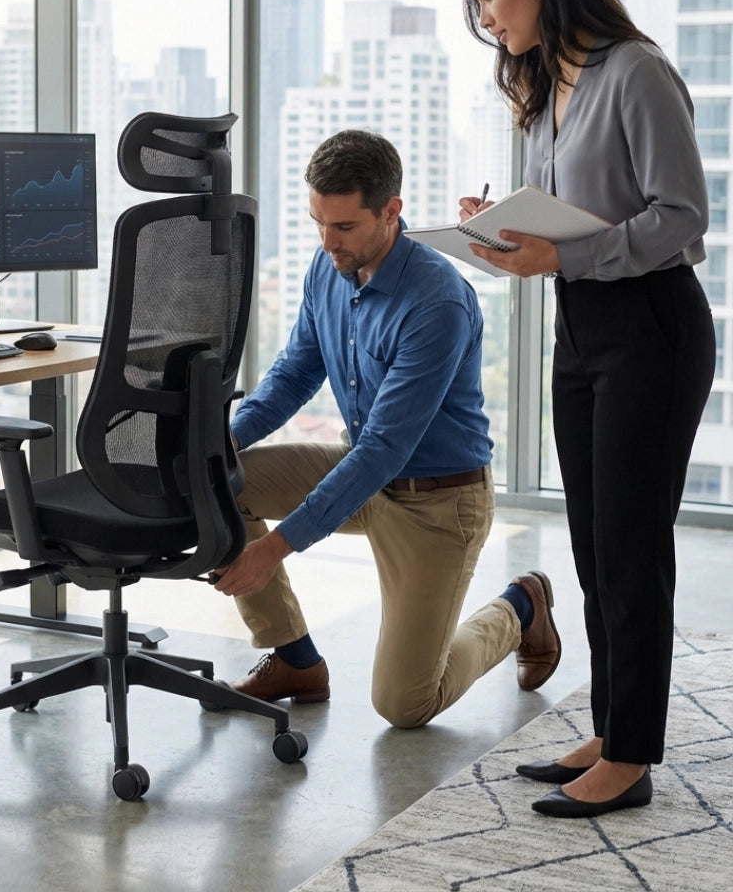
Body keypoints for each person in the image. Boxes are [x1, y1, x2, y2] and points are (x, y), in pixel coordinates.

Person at [458, 0, 715, 818]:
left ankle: (634, 758)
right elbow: (567, 220)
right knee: (594, 544)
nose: (486, 15)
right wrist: (502, 230)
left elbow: (682, 219)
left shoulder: (635, 72)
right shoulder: (544, 87)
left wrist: (560, 255)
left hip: (652, 327)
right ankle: (613, 725)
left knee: (631, 548)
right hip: (584, 330)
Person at [210, 128, 562, 733]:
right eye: (319, 223)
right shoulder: (327, 268)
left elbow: (385, 447)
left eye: (343, 227)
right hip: (362, 472)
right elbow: (296, 373)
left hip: (438, 501)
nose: (328, 242)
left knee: (404, 705)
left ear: (391, 212)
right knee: (221, 481)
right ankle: (296, 660)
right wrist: (221, 444)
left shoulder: (438, 302)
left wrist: (275, 547)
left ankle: (521, 607)